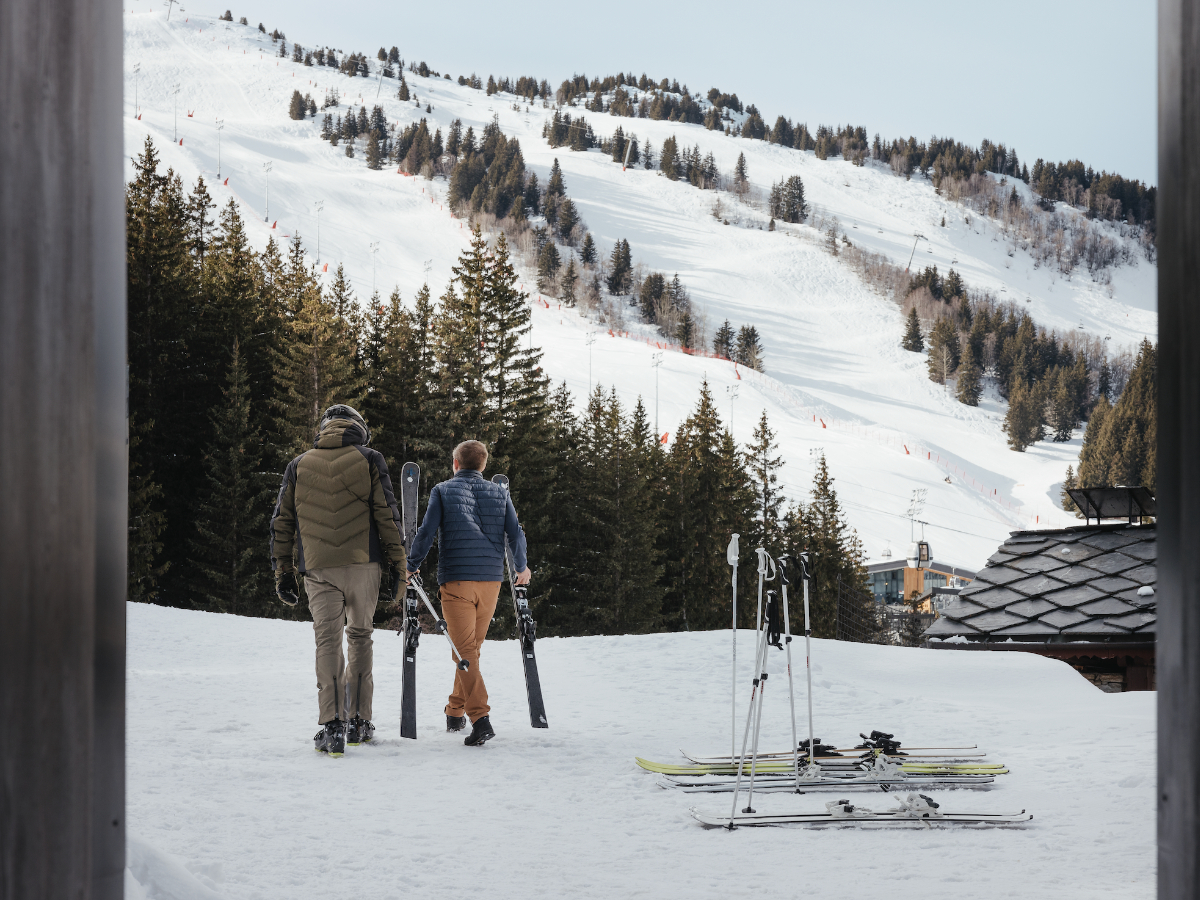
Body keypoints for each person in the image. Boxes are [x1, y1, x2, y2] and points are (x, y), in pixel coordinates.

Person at [269, 405, 406, 757]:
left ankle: (332, 727)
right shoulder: (370, 458)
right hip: (365, 565)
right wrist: (398, 567)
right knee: (360, 636)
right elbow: (387, 516)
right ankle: (359, 721)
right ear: (359, 428)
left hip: (318, 569)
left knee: (327, 642)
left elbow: (282, 521)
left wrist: (283, 570)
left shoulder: (298, 464)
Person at [406, 440, 530, 746]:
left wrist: (411, 565)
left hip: (458, 581)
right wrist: (521, 567)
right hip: (490, 582)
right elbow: (515, 533)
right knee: (469, 650)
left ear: (456, 463)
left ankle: (481, 718)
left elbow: (426, 532)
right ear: (483, 465)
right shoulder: (500, 493)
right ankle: (454, 709)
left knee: (464, 652)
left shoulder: (442, 490)